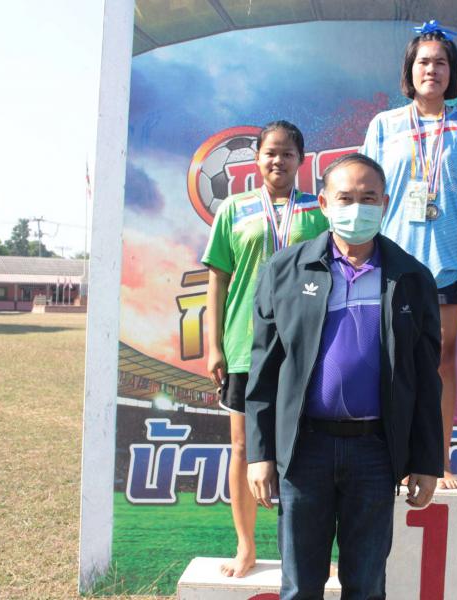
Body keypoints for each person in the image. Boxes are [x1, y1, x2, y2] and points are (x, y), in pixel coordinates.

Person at [245, 153, 443, 599]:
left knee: (366, 587)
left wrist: (427, 461)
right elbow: (264, 370)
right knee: (300, 587)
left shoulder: (412, 278)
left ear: (385, 204)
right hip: (304, 451)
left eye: (369, 198)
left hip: (375, 453)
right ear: (323, 204)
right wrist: (260, 453)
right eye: (346, 198)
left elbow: (426, 380)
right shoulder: (285, 271)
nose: (357, 208)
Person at [362, 19, 457, 489]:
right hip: (392, 261)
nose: (432, 70)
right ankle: (389, 457)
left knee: (441, 360)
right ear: (410, 70)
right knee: (388, 358)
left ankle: (437, 460)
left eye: (441, 63)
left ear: (452, 72)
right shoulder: (384, 126)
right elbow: (366, 193)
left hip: (446, 261)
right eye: (424, 62)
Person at [202, 121, 329, 578]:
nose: (279, 160)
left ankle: (315, 553)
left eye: (288, 153)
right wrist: (214, 346)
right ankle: (246, 547)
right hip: (244, 346)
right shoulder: (233, 209)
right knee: (242, 448)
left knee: (308, 449)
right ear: (256, 158)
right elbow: (217, 279)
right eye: (271, 152)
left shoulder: (318, 211)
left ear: (301, 160)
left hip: (305, 346)